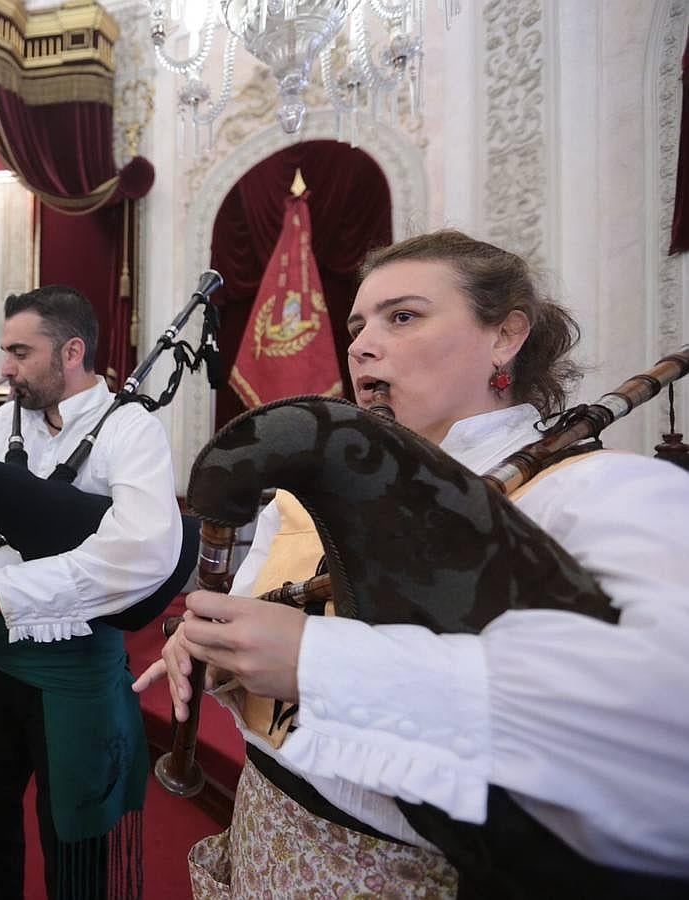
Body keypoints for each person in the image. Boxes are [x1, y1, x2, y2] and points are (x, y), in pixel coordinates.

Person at [134, 230, 689, 897]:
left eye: (404, 317)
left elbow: (662, 745)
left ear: (506, 336)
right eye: (357, 324)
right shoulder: (309, 490)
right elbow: (268, 635)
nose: (362, 344)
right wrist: (225, 651)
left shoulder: (597, 493)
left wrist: (323, 662)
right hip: (260, 831)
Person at [0, 285, 183, 900]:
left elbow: (143, 552)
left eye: (20, 352)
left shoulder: (130, 431)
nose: (4, 367)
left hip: (79, 671)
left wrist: (7, 590)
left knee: (76, 846)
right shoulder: (3, 421)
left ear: (72, 352)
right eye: (5, 351)